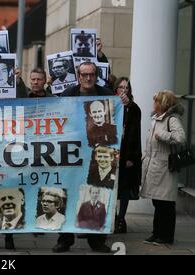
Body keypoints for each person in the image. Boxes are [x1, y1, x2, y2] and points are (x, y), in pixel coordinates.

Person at [55, 61, 123, 254]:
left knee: (99, 195)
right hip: (72, 155)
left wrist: (124, 103)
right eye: (84, 74)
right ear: (78, 76)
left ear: (96, 75)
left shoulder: (107, 95)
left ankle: (97, 241)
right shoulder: (69, 94)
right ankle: (64, 240)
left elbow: (118, 119)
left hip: (98, 156)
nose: (88, 78)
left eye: (91, 74)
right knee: (68, 196)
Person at [141, 90, 186, 245]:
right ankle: (157, 233)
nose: (154, 103)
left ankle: (166, 236)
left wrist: (163, 135)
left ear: (163, 103)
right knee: (158, 202)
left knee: (165, 203)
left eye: (156, 101)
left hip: (165, 167)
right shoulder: (155, 119)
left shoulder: (172, 119)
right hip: (154, 166)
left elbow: (180, 138)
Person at [113, 77, 142, 234]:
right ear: (115, 89)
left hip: (126, 154)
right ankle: (113, 216)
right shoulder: (110, 104)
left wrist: (131, 157)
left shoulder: (133, 108)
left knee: (124, 188)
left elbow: (135, 134)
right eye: (121, 87)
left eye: (126, 87)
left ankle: (121, 219)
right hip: (111, 152)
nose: (123, 90)